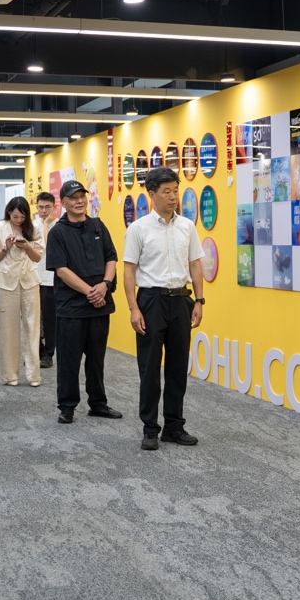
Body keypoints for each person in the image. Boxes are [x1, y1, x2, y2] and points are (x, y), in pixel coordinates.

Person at [122, 166, 205, 451]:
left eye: (176, 191)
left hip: (181, 300)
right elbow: (129, 271)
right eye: (166, 191)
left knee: (178, 366)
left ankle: (174, 426)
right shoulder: (138, 229)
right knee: (149, 368)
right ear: (152, 194)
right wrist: (133, 308)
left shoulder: (187, 226)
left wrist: (199, 300)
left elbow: (195, 264)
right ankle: (149, 428)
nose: (173, 197)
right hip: (151, 301)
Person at [45, 180, 121, 424]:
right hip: (71, 307)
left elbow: (111, 258)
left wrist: (105, 285)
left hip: (100, 304)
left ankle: (98, 404)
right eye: (73, 197)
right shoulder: (58, 232)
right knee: (69, 360)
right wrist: (91, 292)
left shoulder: (98, 225)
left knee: (97, 358)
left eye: (82, 196)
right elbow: (61, 270)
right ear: (63, 202)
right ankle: (67, 406)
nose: (79, 201)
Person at [0, 197, 45, 386]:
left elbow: (37, 257)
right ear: (9, 213)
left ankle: (34, 375)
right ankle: (10, 375)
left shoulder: (34, 228)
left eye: (22, 217)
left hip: (30, 281)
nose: (18, 220)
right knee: (7, 329)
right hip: (6, 282)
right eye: (15, 217)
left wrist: (27, 246)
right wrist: (6, 248)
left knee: (32, 327)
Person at [34, 192, 58, 369]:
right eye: (41, 207)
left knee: (49, 319)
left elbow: (51, 248)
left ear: (54, 207)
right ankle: (36, 351)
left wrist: (47, 224)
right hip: (33, 278)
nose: (44, 211)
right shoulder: (31, 225)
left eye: (47, 207)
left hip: (51, 279)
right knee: (34, 318)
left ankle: (49, 353)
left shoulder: (60, 225)